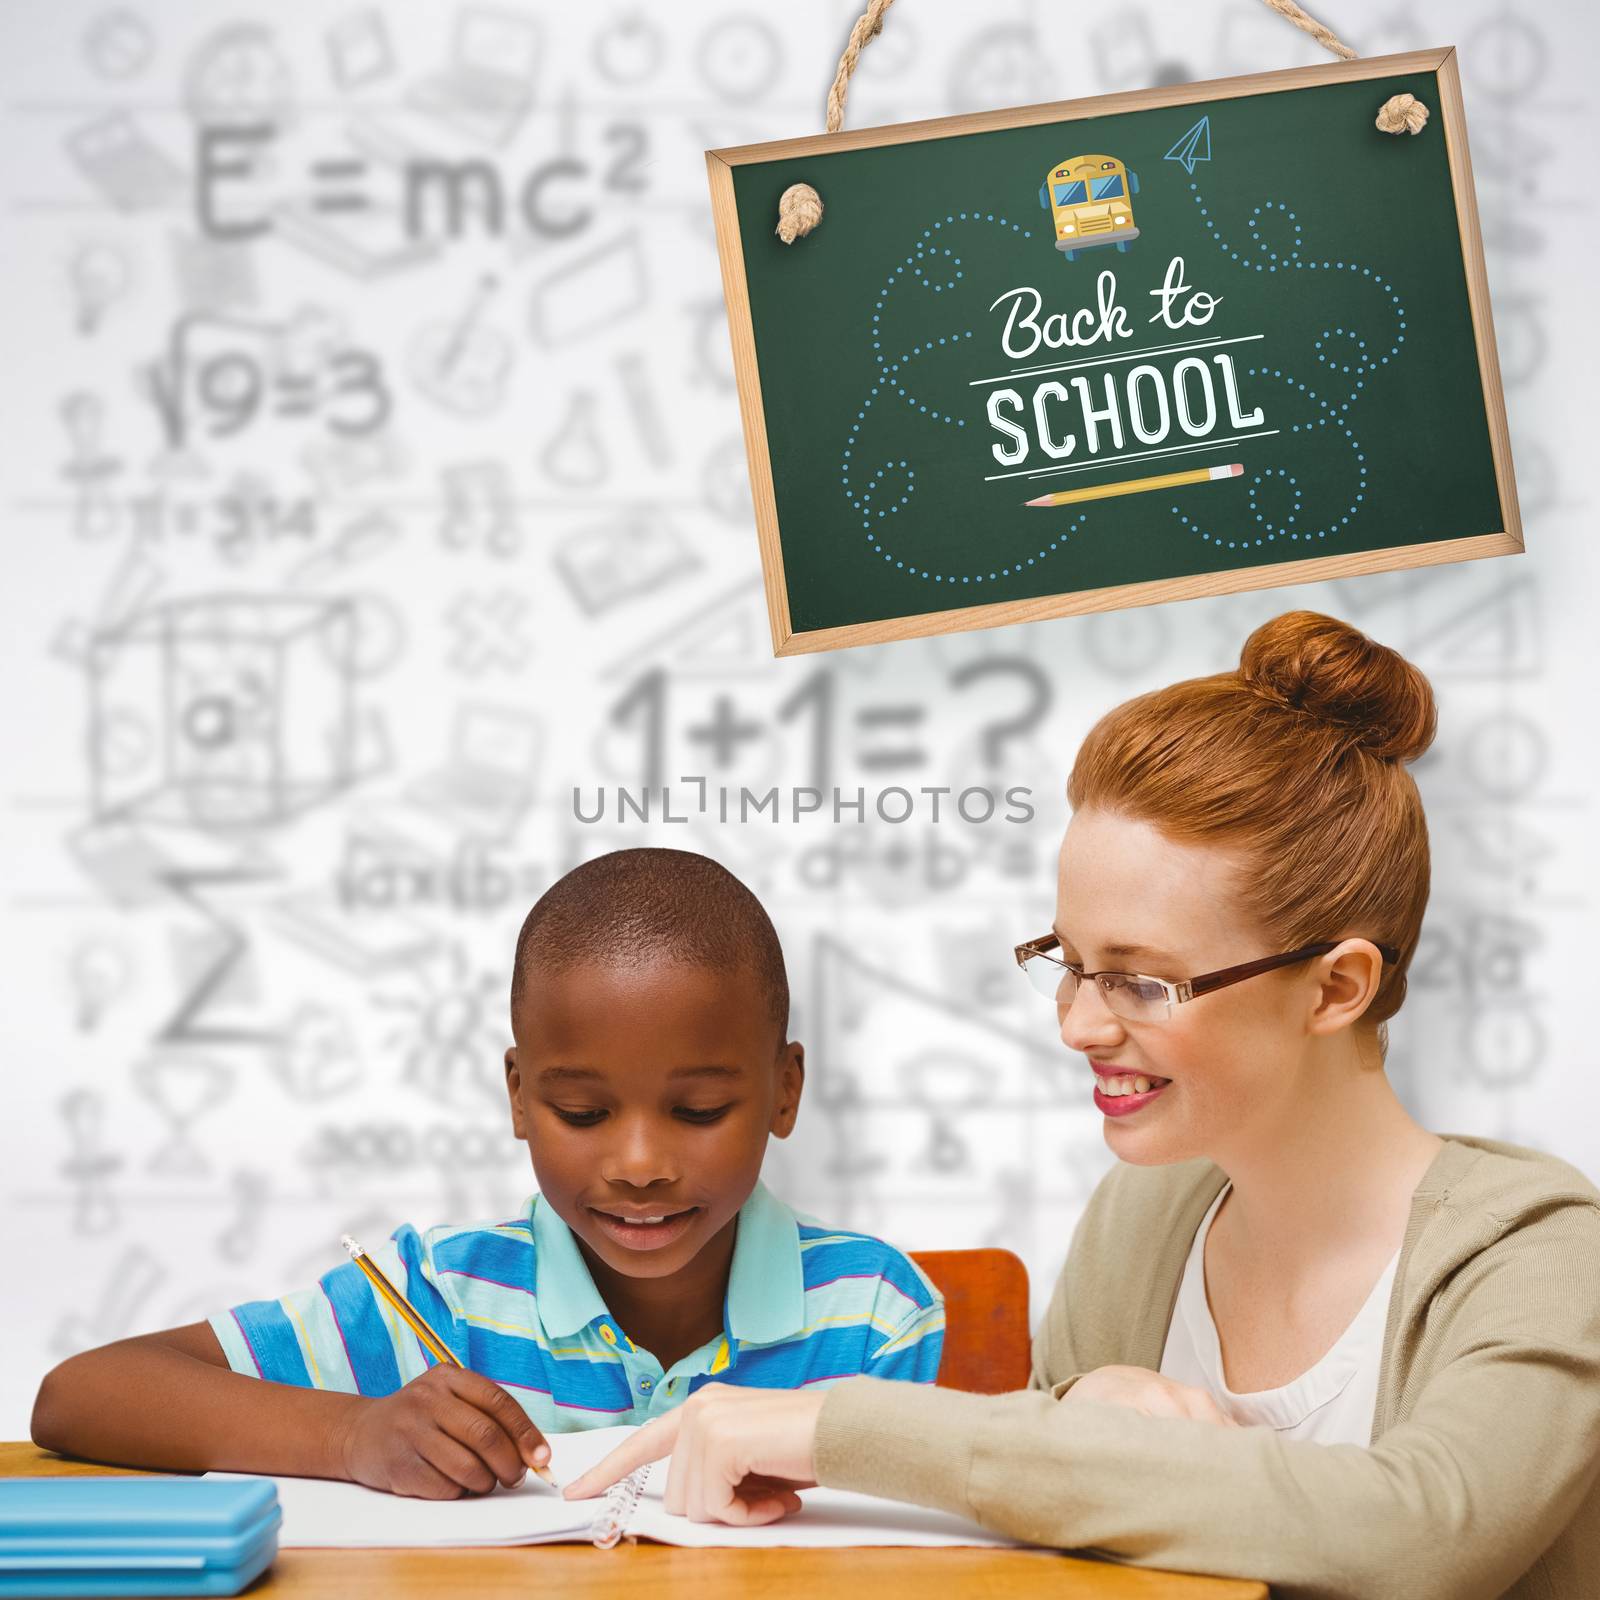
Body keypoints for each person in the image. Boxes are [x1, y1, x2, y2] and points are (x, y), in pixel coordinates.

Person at [565, 614, 1600, 1600]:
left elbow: (1417, 1537)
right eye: (1070, 962)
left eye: (1142, 981)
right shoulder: (1142, 1218)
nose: (1077, 1026)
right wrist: (1077, 1410)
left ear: (1335, 987)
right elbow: (1055, 1519)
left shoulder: (1538, 1252)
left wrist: (839, 1424)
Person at [31, 848, 943, 1497]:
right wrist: (355, 1435)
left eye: (698, 1112)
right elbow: (80, 1396)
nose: (637, 1166)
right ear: (518, 1096)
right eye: (582, 1114)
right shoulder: (442, 1296)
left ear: (785, 1091)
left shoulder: (872, 1313)